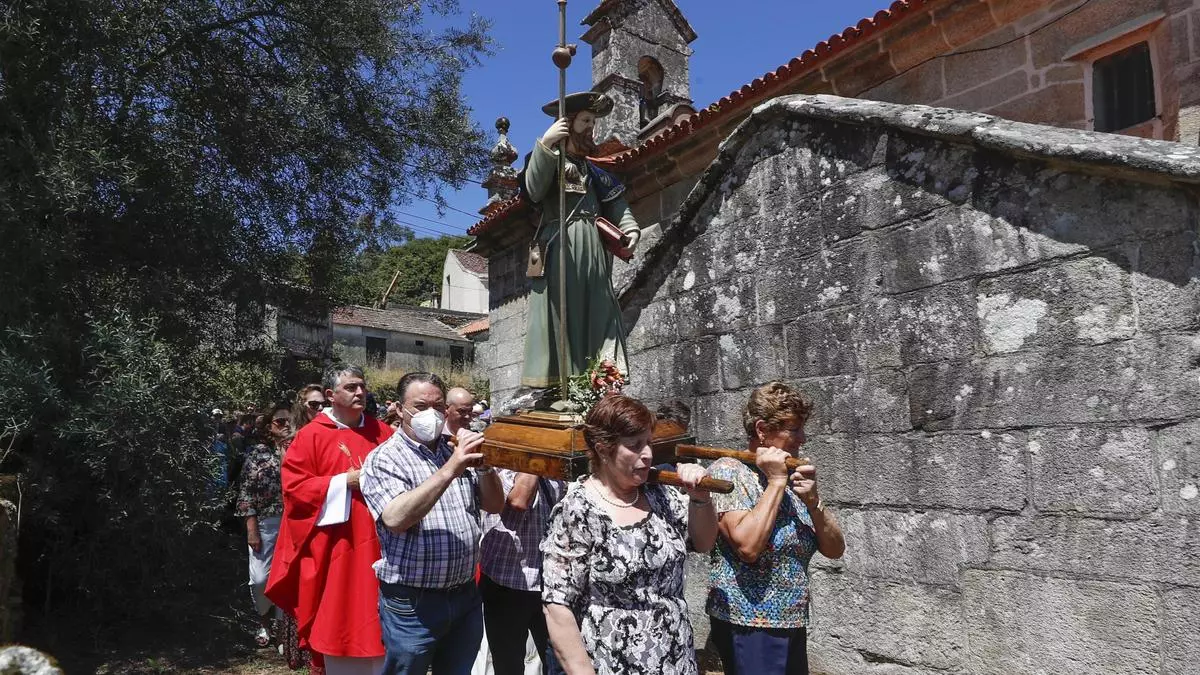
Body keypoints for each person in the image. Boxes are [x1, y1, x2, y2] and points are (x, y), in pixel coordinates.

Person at [541, 395, 717, 675]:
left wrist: (700, 498)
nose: (647, 454)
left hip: (676, 659)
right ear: (603, 450)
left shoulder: (661, 495)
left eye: (648, 442)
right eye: (634, 446)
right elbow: (557, 606)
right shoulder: (578, 511)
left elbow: (704, 542)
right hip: (612, 663)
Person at [360, 372, 505, 675]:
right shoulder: (385, 458)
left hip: (464, 594)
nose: (431, 414)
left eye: (438, 406)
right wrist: (451, 468)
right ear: (399, 409)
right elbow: (395, 518)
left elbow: (494, 505)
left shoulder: (453, 448)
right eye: (420, 406)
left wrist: (485, 467)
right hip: (413, 602)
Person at [705, 382, 846, 675]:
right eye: (793, 429)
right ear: (761, 429)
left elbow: (835, 550)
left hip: (792, 619)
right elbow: (748, 547)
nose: (802, 438)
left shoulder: (792, 477)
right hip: (748, 623)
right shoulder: (728, 472)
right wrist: (776, 483)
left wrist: (814, 502)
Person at [266, 364, 394, 675]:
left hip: (386, 544)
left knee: (387, 633)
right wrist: (344, 482)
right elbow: (295, 490)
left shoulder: (384, 433)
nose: (360, 392)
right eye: (351, 387)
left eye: (362, 386)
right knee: (342, 619)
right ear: (330, 395)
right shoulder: (310, 436)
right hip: (337, 547)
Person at [519, 91, 643, 390]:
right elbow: (533, 190)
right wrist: (546, 144)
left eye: (593, 122)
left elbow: (618, 206)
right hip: (560, 245)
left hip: (594, 250)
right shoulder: (548, 160)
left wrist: (631, 229)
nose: (591, 128)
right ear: (568, 123)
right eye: (585, 121)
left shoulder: (597, 174)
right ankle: (561, 384)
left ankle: (597, 378)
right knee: (563, 311)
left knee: (600, 310)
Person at [478, 464, 566, 675]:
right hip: (506, 583)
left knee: (560, 663)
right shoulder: (500, 465)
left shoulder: (557, 469)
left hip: (550, 584)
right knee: (508, 666)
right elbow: (518, 500)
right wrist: (535, 460)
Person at [236, 403, 292, 648]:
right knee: (260, 578)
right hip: (266, 522)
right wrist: (252, 528)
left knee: (287, 577)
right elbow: (245, 493)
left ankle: (281, 628)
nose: (286, 425)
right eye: (280, 421)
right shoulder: (257, 454)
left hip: (295, 523)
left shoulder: (300, 449)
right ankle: (263, 620)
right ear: (269, 426)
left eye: (290, 421)